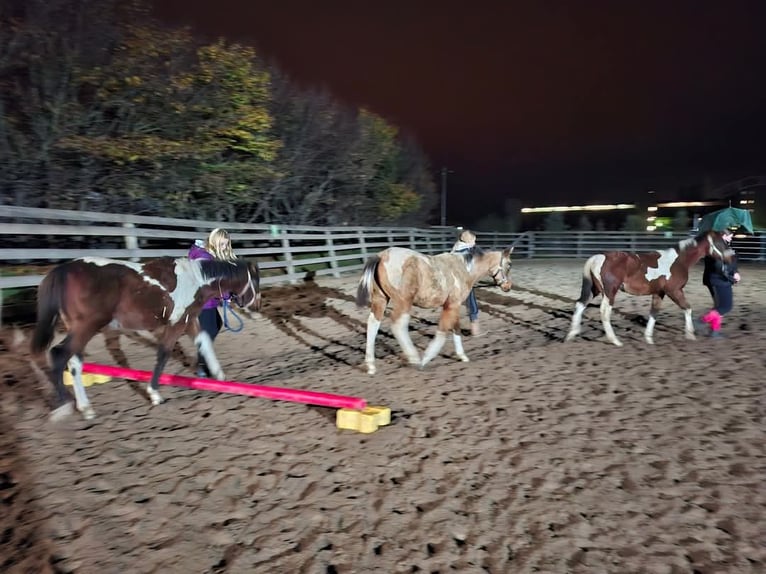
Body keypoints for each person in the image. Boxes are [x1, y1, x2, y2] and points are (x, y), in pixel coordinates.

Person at [188, 228, 237, 376]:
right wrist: (226, 294)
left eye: (226, 245)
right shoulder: (204, 257)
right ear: (215, 241)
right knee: (209, 332)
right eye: (222, 244)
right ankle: (202, 367)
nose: (224, 248)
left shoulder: (208, 255)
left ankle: (202, 361)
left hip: (206, 299)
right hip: (202, 301)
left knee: (215, 326)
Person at [699, 228, 741, 338]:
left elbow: (731, 261)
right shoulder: (717, 247)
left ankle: (715, 331)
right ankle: (700, 321)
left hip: (719, 279)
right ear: (723, 235)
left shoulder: (723, 246)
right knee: (725, 306)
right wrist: (732, 277)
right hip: (719, 280)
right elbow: (720, 267)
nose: (732, 236)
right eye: (730, 234)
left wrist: (735, 271)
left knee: (720, 307)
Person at [451, 229, 483, 336]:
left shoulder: (456, 248)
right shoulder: (468, 250)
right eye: (474, 240)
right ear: (469, 240)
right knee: (471, 302)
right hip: (463, 280)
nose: (475, 243)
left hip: (452, 280)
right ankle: (475, 329)